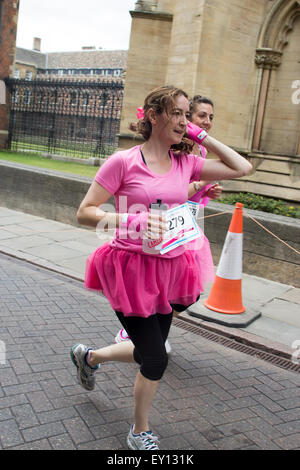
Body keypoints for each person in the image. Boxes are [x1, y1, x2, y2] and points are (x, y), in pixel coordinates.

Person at [70, 85, 252, 451]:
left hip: (169, 268)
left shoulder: (186, 162)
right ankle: (139, 432)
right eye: (178, 114)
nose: (185, 121)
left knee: (147, 351)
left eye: (189, 115)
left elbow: (242, 167)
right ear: (153, 116)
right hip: (130, 270)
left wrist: (201, 135)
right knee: (155, 357)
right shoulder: (123, 161)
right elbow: (85, 213)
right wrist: (131, 221)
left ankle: (89, 357)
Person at [114, 94, 222, 348]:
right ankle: (139, 335)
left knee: (187, 293)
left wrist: (206, 191)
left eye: (210, 118)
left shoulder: (202, 151)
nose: (206, 122)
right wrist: (201, 184)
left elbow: (236, 167)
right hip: (164, 224)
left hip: (189, 225)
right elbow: (168, 192)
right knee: (161, 286)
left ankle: (147, 336)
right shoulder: (174, 147)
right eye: (200, 116)